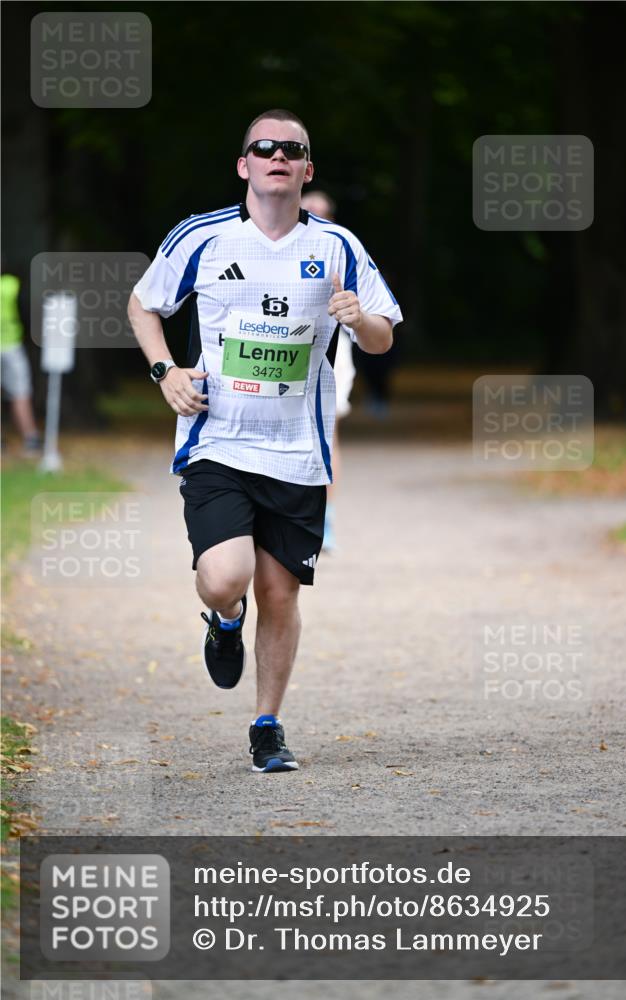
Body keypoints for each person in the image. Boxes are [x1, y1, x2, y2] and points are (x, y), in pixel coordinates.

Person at [128, 109, 402, 773]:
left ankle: (267, 726)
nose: (278, 155)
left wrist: (357, 318)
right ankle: (224, 621)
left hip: (296, 453)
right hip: (216, 442)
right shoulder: (203, 238)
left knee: (281, 595)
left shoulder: (337, 246)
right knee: (227, 577)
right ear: (244, 164)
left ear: (307, 169)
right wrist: (166, 371)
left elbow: (383, 335)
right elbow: (144, 305)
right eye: (264, 147)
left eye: (293, 150)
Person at [300, 190, 355, 551]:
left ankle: (326, 515)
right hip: (283, 345)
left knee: (327, 427)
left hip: (332, 349)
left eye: (324, 212)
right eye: (310, 210)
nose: (318, 216)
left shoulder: (342, 251)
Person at [1, 271, 41, 455]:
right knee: (20, 393)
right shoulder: (13, 284)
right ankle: (30, 437)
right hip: (12, 345)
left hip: (12, 345)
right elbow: (27, 313)